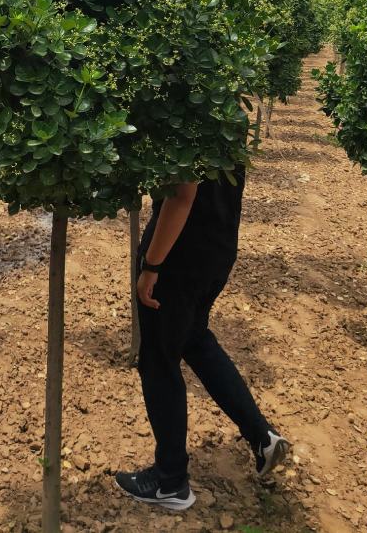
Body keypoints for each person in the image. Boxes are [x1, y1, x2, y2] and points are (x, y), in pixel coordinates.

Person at [114, 162, 290, 511]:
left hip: (180, 251)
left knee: (158, 360)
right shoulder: (233, 110)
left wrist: (152, 265)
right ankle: (262, 437)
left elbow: (182, 194)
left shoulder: (187, 107)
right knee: (193, 337)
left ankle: (170, 481)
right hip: (217, 246)